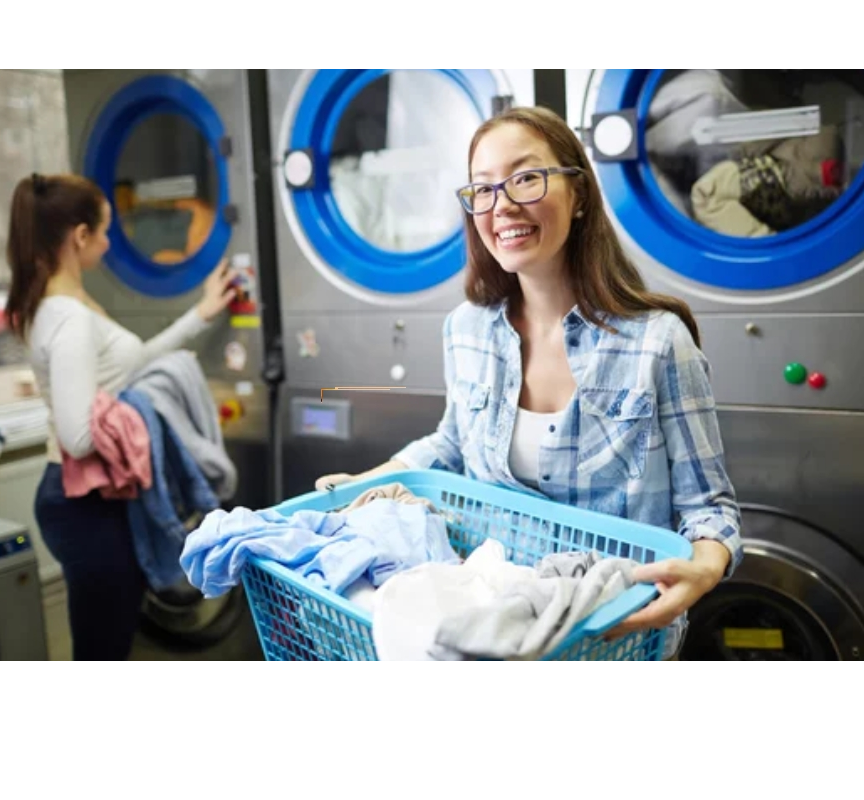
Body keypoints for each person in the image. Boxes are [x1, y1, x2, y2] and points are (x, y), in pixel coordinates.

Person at [315, 106, 743, 659]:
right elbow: (450, 444)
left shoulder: (657, 343)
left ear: (580, 193)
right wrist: (360, 483)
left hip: (610, 631)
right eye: (484, 189)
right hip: (494, 615)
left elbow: (709, 509)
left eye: (525, 178)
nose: (503, 206)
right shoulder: (466, 331)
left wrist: (704, 568)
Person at [4, 173, 237, 660]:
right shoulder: (66, 317)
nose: (111, 243)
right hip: (85, 503)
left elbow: (128, 364)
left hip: (92, 498)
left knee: (108, 638)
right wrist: (141, 413)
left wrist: (201, 314)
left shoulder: (61, 303)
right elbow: (79, 435)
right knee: (101, 650)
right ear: (80, 236)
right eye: (105, 232)